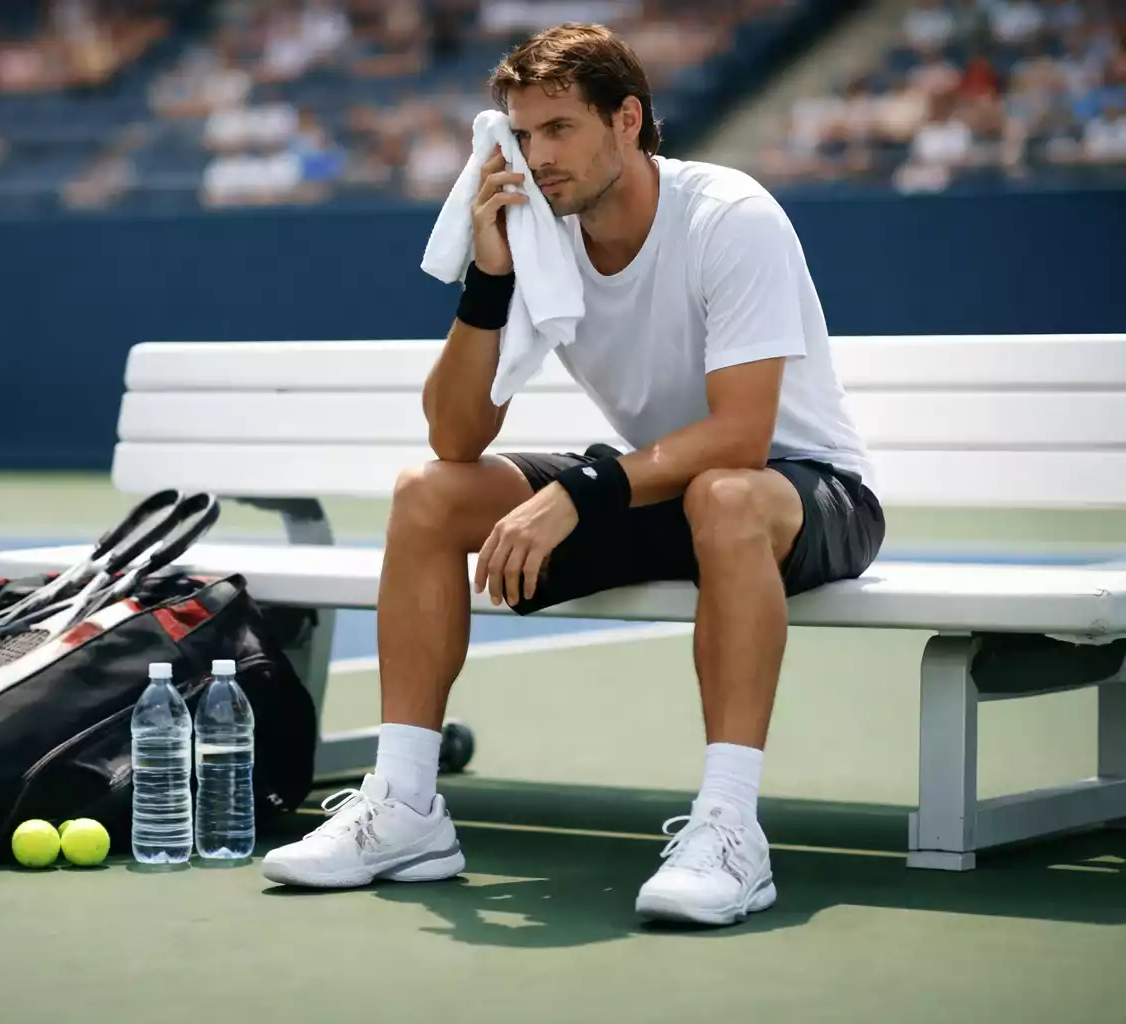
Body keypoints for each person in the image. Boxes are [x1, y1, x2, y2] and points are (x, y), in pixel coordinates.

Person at [260, 22, 885, 927]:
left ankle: (729, 830)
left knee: (724, 495)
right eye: (520, 133)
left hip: (806, 495)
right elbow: (454, 435)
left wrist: (578, 494)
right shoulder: (539, 236)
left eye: (558, 129)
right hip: (669, 491)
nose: (535, 156)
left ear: (627, 121)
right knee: (427, 496)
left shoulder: (728, 216)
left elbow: (744, 437)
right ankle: (404, 808)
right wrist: (487, 277)